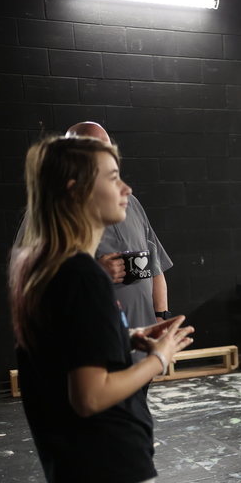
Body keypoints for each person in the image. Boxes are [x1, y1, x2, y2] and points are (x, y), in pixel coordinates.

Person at [10, 135, 193, 483]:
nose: (126, 187)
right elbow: (89, 396)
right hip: (106, 467)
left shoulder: (43, 263)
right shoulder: (82, 275)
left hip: (76, 467)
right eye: (113, 176)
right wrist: (157, 361)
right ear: (76, 189)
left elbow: (68, 348)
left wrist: (129, 337)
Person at [66, 122, 174, 354]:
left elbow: (155, 268)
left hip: (140, 342)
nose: (127, 190)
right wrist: (94, 273)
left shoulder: (131, 205)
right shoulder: (55, 215)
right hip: (96, 350)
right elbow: (37, 292)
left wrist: (160, 319)